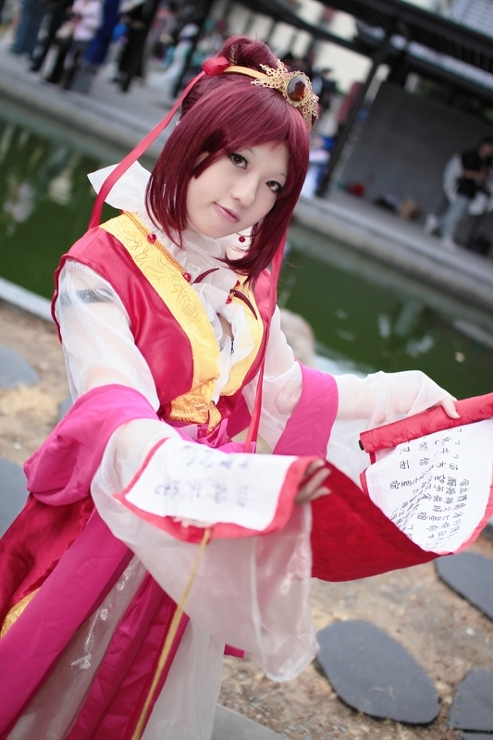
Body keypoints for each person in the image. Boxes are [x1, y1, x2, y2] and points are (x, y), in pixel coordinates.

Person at [0, 36, 483, 740]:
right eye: (237, 160)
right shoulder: (101, 266)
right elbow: (113, 405)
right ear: (195, 139)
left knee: (151, 687)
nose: (247, 197)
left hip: (204, 527)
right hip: (113, 517)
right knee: (69, 687)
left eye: (273, 185)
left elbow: (282, 392)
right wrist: (224, 482)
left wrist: (400, 396)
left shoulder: (240, 272)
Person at [424, 136, 493, 249]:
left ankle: (436, 222)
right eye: (489, 146)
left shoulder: (486, 162)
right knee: (455, 214)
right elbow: (465, 173)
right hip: (464, 189)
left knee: (461, 216)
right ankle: (446, 236)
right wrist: (480, 176)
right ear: (484, 145)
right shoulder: (472, 156)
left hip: (473, 191)